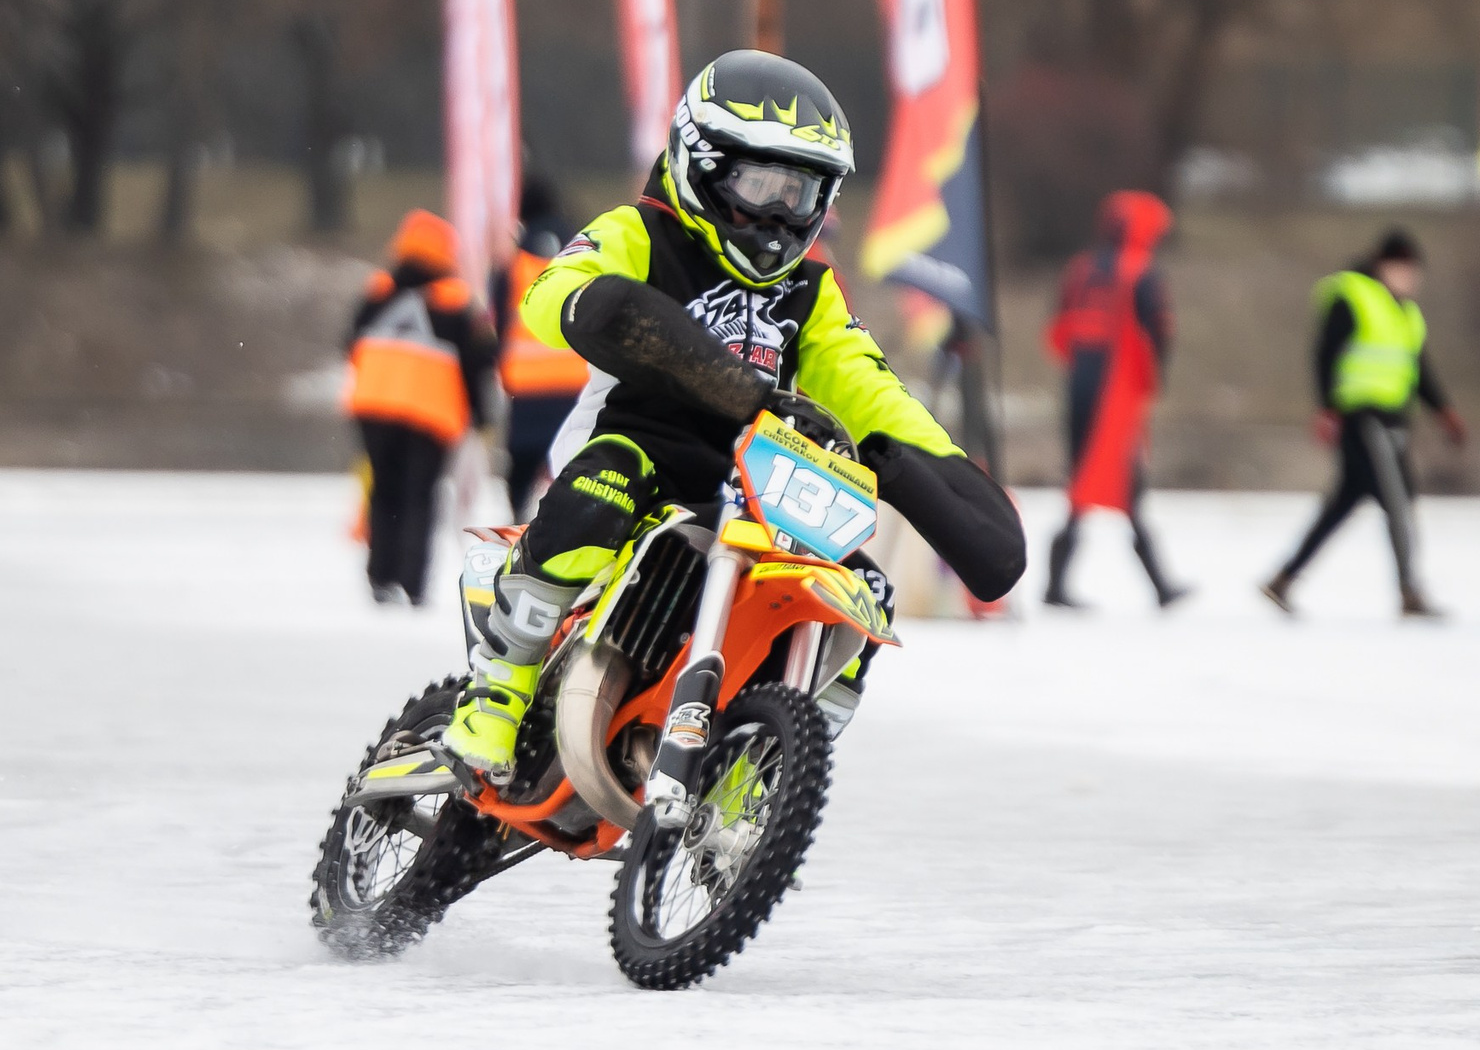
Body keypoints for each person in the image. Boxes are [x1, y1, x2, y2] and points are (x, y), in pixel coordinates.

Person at [362, 51, 1025, 798]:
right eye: (757, 187)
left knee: (861, 584)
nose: (776, 217)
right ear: (701, 166)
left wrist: (936, 471)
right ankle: (501, 692)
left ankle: (764, 773)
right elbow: (556, 294)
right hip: (631, 445)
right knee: (610, 480)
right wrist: (624, 319)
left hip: (748, 483)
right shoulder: (644, 233)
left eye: (798, 193)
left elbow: (870, 385)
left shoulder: (810, 293)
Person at [1264, 229, 1466, 617]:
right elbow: (1325, 354)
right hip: (1360, 416)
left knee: (1344, 504)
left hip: (1395, 418)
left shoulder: (1405, 312)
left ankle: (1284, 579)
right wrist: (1326, 408)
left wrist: (1444, 412)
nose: (1410, 278)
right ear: (1383, 264)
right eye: (1404, 269)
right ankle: (1410, 591)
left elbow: (1419, 369)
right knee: (1399, 500)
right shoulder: (1352, 295)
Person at [345, 209, 498, 605]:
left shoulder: (378, 293)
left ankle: (380, 578)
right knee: (419, 498)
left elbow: (349, 342)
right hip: (429, 415)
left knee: (383, 493)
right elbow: (478, 363)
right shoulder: (455, 303)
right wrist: (482, 416)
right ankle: (412, 585)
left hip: (374, 408)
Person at [1042, 190, 1185, 608]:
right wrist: (1150, 380)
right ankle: (1160, 586)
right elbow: (1161, 332)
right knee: (1126, 486)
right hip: (1116, 396)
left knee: (1081, 484)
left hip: (1079, 389)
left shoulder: (1081, 268)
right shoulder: (1142, 272)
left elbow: (1059, 327)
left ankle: (1060, 585)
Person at [494, 173, 588, 521]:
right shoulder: (580, 250)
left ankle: (518, 519)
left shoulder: (513, 262)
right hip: (575, 383)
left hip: (527, 386)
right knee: (572, 465)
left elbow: (501, 322)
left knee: (521, 465)